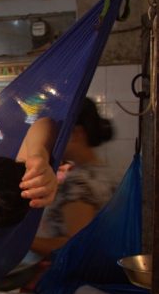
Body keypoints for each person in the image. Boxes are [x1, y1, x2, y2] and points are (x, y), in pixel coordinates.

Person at [29, 98, 116, 256]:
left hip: (74, 278)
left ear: (76, 134)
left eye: (54, 135)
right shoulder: (100, 171)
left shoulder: (78, 183)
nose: (50, 143)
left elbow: (76, 246)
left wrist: (25, 241)